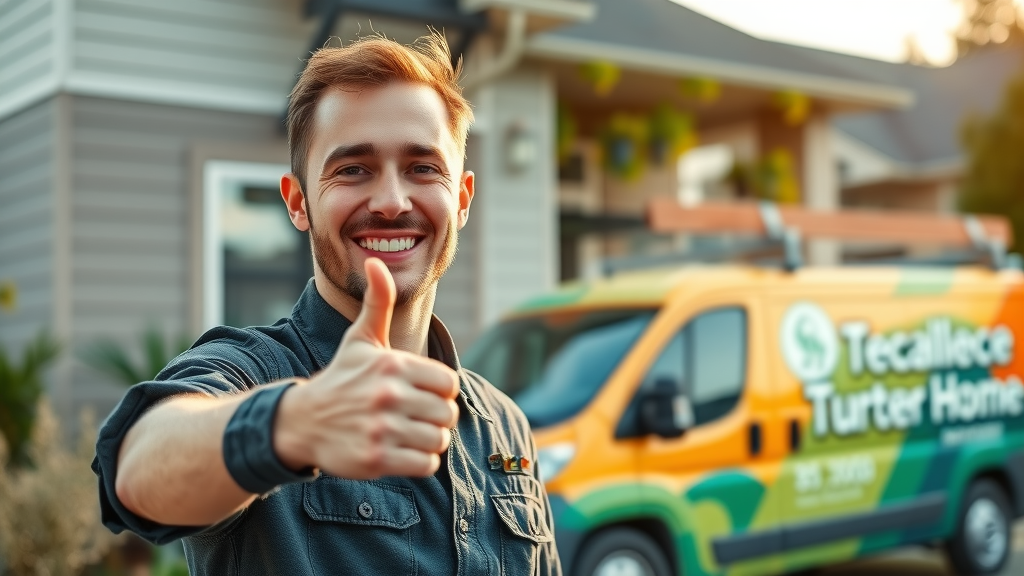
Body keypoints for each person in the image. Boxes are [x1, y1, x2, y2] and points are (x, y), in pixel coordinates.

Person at [92, 32, 562, 576]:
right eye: (353, 169)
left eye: (423, 167)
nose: (391, 202)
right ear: (299, 202)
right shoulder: (254, 373)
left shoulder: (504, 425)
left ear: (461, 199)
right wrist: (296, 424)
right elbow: (138, 469)